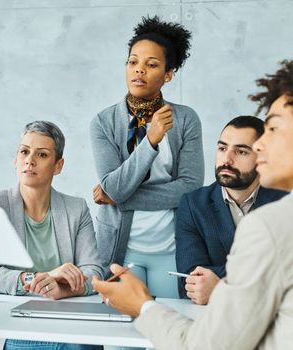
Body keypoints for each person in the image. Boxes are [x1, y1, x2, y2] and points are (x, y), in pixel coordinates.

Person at [92, 59, 293, 349]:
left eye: (273, 129)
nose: (261, 145)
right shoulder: (104, 122)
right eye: (222, 147)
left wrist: (142, 307)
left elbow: (210, 345)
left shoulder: (272, 225)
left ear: (168, 74)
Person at [90, 15, 204, 298]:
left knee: (166, 332)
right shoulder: (103, 122)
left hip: (170, 247)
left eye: (151, 64)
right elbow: (113, 185)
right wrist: (151, 139)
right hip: (119, 248)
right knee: (119, 338)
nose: (138, 70)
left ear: (168, 74)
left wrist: (120, 198)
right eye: (133, 62)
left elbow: (190, 188)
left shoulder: (186, 119)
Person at [0, 121, 104, 350]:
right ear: (16, 160)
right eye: (24, 152)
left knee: (84, 346)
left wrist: (63, 289)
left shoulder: (76, 209)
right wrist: (38, 279)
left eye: (42, 155)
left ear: (58, 166)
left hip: (67, 323)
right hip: (13, 326)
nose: (30, 160)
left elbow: (94, 273)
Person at [175, 116, 287, 304]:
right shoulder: (193, 204)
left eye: (241, 152)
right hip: (209, 318)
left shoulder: (283, 202)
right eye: (222, 148)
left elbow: (284, 273)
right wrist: (258, 275)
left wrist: (219, 285)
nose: (227, 159)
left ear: (262, 155)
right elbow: (190, 279)